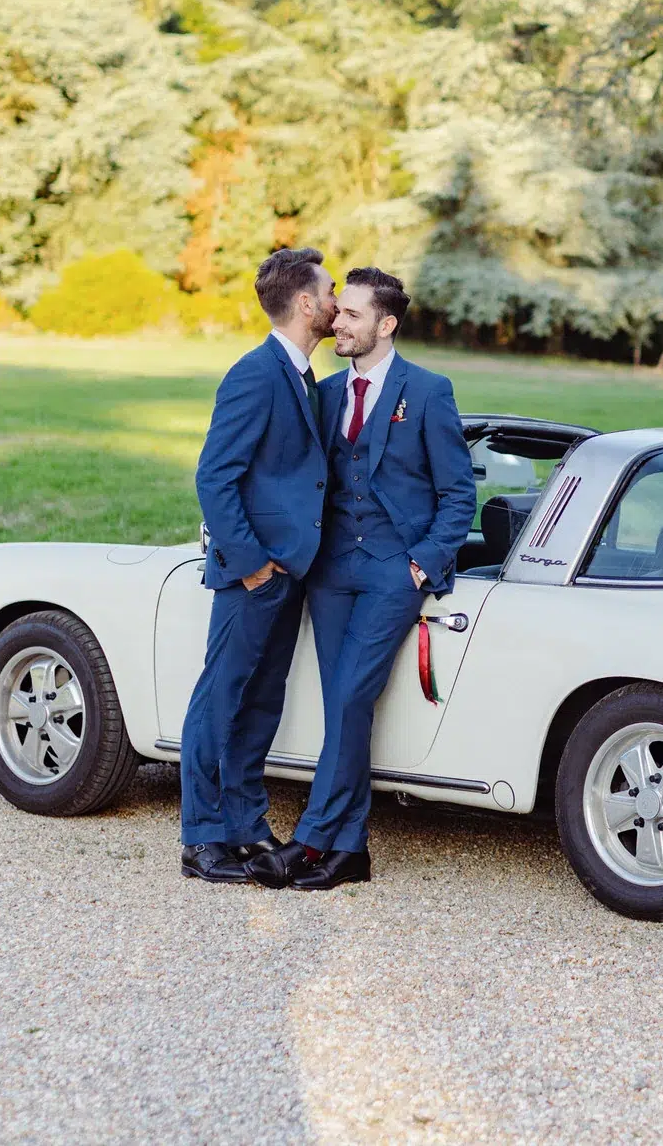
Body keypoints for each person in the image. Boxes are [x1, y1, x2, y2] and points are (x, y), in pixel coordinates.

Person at [250, 267, 476, 891]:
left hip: (391, 571)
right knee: (342, 706)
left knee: (350, 696)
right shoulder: (323, 395)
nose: (335, 322)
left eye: (350, 314)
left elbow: (460, 494)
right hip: (330, 573)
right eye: (337, 310)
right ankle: (351, 852)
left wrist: (420, 565)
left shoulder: (428, 392)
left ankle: (314, 839)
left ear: (386, 324)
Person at [179, 247, 337, 882]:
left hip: (288, 572)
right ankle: (201, 838)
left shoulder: (301, 376)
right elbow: (215, 476)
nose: (335, 302)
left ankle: (244, 824)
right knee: (221, 698)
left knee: (261, 704)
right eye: (328, 291)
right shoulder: (254, 373)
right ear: (304, 303)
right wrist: (249, 565)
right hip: (255, 572)